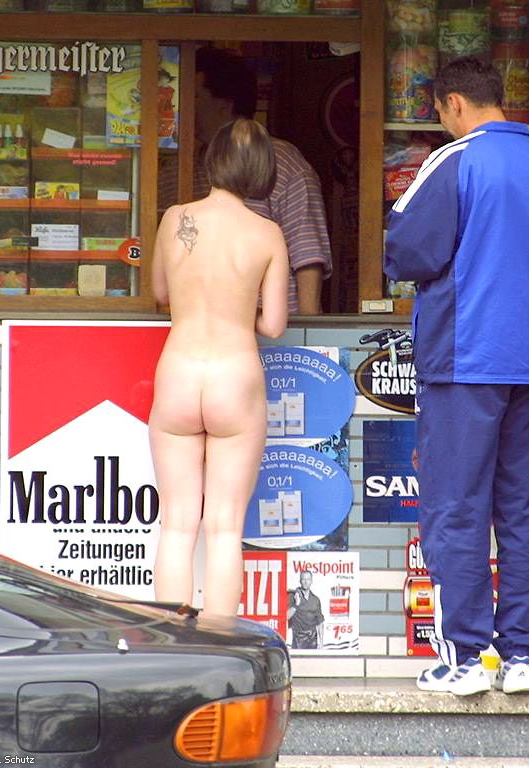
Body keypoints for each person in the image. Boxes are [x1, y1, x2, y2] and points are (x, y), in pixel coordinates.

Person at [384, 57, 529, 696]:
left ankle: (464, 659)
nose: (443, 123)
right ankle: (521, 656)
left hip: (466, 357)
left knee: (456, 504)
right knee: (523, 506)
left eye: (441, 112)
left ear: (455, 103)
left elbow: (406, 251)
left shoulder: (455, 160)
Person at [149, 118, 290, 617]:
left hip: (179, 371)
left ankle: (171, 644)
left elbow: (160, 293)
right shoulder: (267, 234)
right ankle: (222, 647)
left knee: (177, 524)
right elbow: (274, 324)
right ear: (262, 170)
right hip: (235, 374)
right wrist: (237, 306)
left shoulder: (174, 218)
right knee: (225, 528)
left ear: (213, 161)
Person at [167, 46, 332, 315]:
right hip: (201, 322)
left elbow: (308, 255)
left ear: (225, 103)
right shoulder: (177, 168)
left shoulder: (283, 162)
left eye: (194, 96)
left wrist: (309, 329)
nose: (183, 107)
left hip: (276, 331)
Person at [287, 570, 324, 650]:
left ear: (311, 581)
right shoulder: (293, 596)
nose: (306, 582)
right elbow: (286, 617)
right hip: (298, 639)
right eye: (303, 579)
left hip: (313, 639)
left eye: (308, 579)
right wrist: (296, 604)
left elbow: (320, 622)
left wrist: (321, 642)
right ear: (300, 581)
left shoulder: (316, 599)